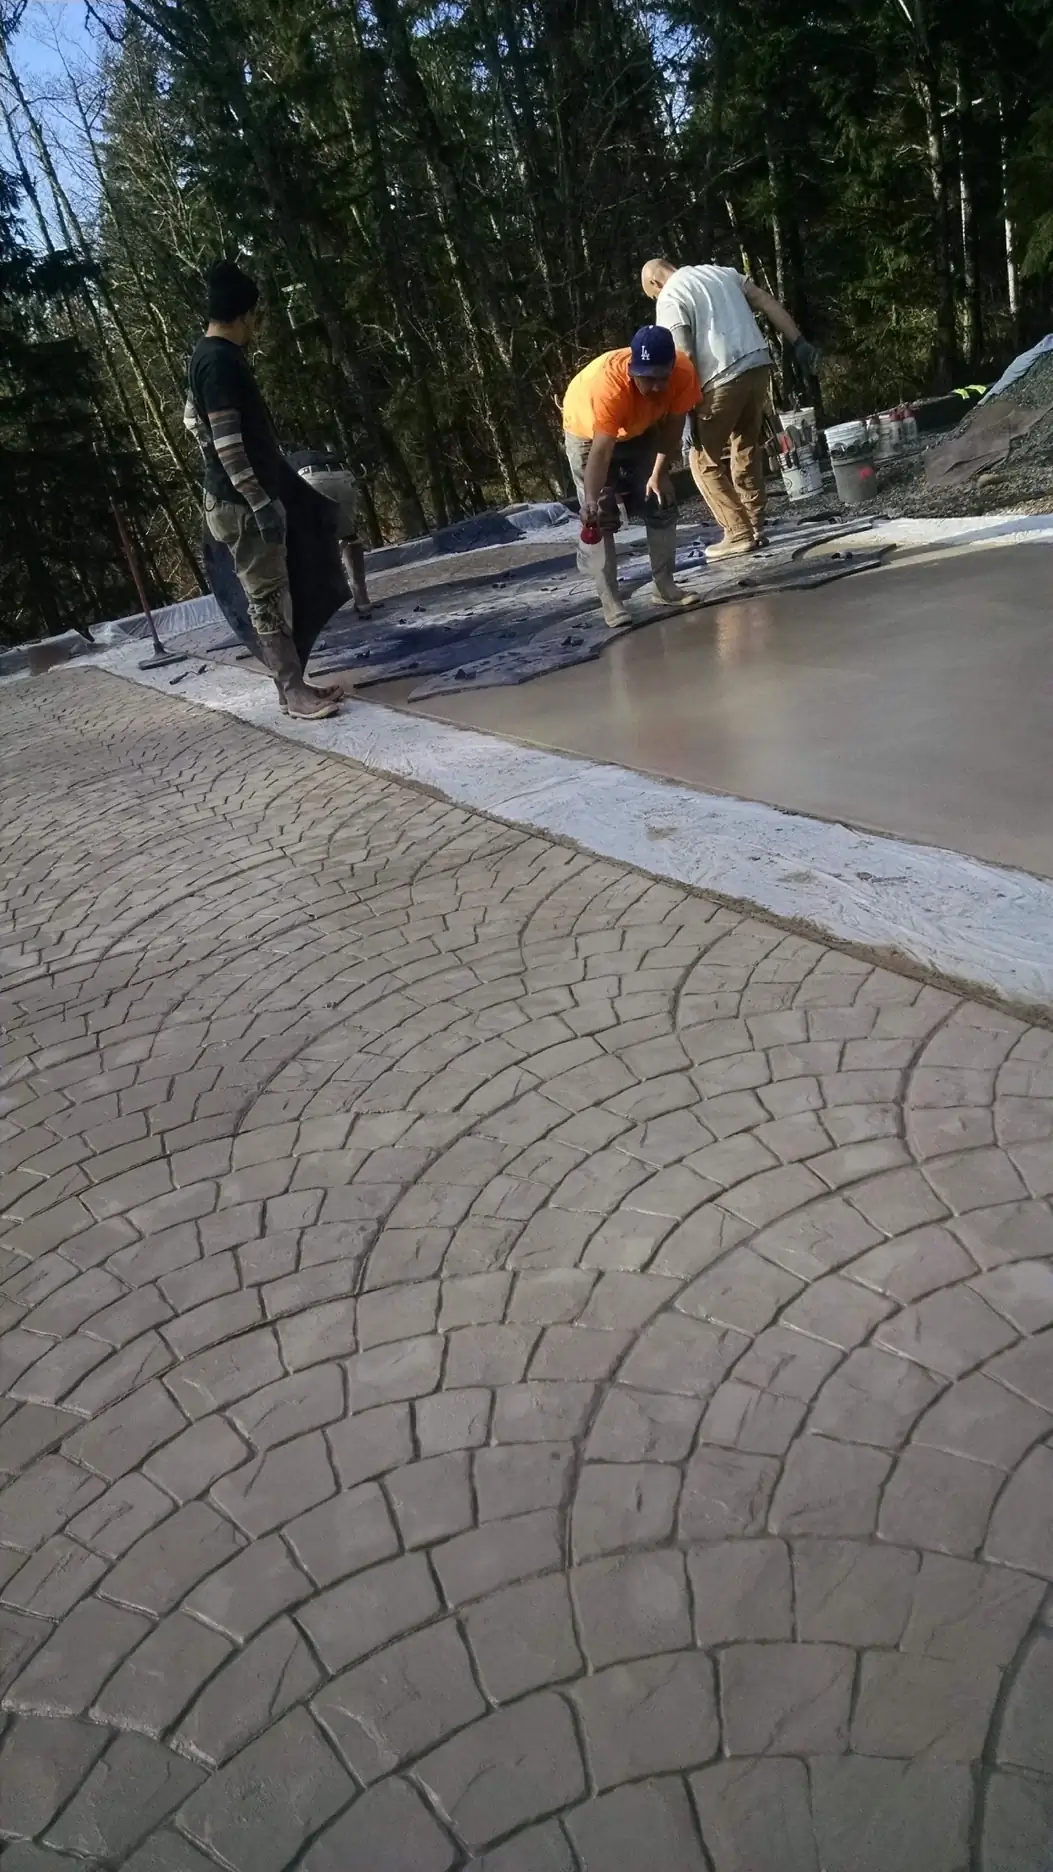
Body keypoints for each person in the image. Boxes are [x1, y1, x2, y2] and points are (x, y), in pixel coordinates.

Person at [183, 260, 341, 719]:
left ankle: (295, 688)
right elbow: (230, 446)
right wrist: (260, 503)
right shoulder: (219, 364)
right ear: (245, 314)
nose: (257, 325)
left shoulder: (203, 355)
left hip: (233, 498)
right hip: (242, 503)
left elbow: (192, 422)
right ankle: (293, 694)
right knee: (266, 595)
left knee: (271, 589)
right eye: (256, 316)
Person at [641, 256, 821, 558]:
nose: (656, 298)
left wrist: (685, 411)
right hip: (758, 366)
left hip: (721, 377)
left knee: (703, 462)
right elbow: (766, 301)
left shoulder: (670, 296)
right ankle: (755, 525)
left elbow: (683, 354)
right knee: (746, 448)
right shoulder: (721, 273)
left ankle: (737, 533)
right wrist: (798, 341)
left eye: (653, 295)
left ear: (655, 284)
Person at [562, 325, 701, 628]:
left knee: (661, 500)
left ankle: (664, 586)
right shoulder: (609, 387)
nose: (653, 386)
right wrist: (590, 499)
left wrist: (660, 473)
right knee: (600, 514)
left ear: (671, 369)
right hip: (588, 432)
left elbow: (673, 430)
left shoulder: (684, 374)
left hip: (641, 427)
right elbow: (600, 451)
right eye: (646, 378)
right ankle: (611, 600)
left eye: (660, 378)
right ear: (632, 368)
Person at [290, 448, 373, 618]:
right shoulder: (317, 455)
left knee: (308, 542)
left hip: (311, 479)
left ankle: (318, 609)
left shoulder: (286, 461)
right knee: (348, 536)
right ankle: (362, 599)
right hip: (344, 476)